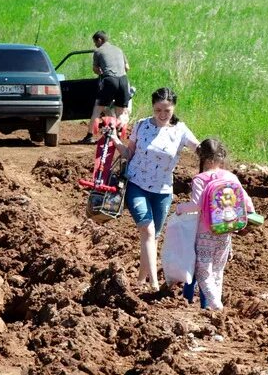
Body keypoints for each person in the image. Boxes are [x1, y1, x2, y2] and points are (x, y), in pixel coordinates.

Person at [108, 87, 199, 291]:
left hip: (163, 190)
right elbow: (129, 153)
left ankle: (140, 281)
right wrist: (115, 140)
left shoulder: (180, 130)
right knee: (147, 230)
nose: (162, 115)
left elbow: (197, 147)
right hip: (136, 184)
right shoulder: (141, 126)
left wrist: (211, 153)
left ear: (173, 109)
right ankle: (155, 285)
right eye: (158, 110)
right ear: (152, 107)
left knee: (152, 236)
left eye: (167, 111)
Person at [175, 139, 254, 311]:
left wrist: (179, 208)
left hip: (204, 232)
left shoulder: (200, 179)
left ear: (202, 157)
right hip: (225, 231)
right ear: (221, 157)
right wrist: (250, 215)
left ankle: (215, 305)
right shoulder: (231, 176)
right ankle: (211, 303)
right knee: (218, 271)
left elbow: (196, 205)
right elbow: (246, 201)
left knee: (203, 272)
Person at [80, 31, 131, 145]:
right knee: (120, 111)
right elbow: (127, 67)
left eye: (95, 42)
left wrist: (102, 73)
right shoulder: (118, 49)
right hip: (123, 80)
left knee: (97, 109)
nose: (94, 45)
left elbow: (95, 69)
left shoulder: (98, 51)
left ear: (99, 40)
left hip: (110, 80)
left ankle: (89, 136)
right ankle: (118, 136)